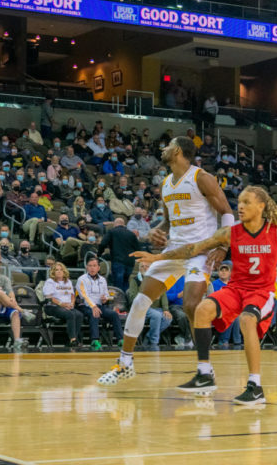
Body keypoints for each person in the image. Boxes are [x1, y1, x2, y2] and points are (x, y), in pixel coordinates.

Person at [134, 186, 277, 404]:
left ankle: (255, 386)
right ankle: (204, 373)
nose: (240, 206)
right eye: (239, 202)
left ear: (261, 206)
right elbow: (194, 248)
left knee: (247, 319)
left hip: (261, 291)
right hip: (235, 289)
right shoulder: (230, 232)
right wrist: (158, 258)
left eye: (247, 202)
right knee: (202, 310)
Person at [97, 136, 232, 386]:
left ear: (178, 150)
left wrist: (223, 246)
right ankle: (125, 363)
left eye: (168, 145)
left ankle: (205, 371)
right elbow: (168, 222)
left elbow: (227, 212)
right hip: (174, 252)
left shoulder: (202, 178)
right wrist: (156, 231)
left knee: (192, 306)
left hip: (200, 251)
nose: (164, 149)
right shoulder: (167, 183)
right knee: (139, 301)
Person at [0, 256, 30, 351]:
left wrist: (12, 298)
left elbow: (11, 293)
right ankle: (23, 311)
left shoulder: (5, 278)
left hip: (5, 303)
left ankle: (17, 341)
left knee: (15, 312)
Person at [76, 257, 123, 351]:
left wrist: (105, 299)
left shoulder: (102, 279)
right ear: (86, 267)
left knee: (113, 314)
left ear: (98, 268)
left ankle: (120, 339)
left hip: (100, 305)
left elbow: (105, 294)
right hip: (85, 305)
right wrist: (93, 306)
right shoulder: (81, 279)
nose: (92, 268)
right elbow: (84, 296)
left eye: (94, 266)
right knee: (95, 314)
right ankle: (95, 340)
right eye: (90, 266)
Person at [127, 262, 171, 349]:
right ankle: (154, 342)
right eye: (142, 266)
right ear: (139, 269)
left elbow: (163, 295)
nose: (144, 268)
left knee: (168, 318)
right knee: (157, 315)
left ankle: (148, 336)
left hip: (156, 308)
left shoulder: (158, 279)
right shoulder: (135, 280)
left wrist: (166, 309)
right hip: (142, 307)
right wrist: (148, 297)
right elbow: (132, 297)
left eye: (147, 266)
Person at [42, 261, 84, 348]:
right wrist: (63, 304)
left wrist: (72, 304)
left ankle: (72, 339)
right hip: (52, 306)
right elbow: (50, 298)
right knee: (70, 314)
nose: (59, 271)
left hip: (67, 306)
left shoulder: (68, 281)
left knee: (79, 315)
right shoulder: (50, 282)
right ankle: (73, 339)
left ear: (64, 271)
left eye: (61, 269)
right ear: (53, 272)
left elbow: (72, 295)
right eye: (57, 270)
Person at [99, 217, 139, 292]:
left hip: (118, 261)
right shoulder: (131, 234)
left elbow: (103, 243)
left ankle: (119, 302)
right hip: (130, 262)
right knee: (126, 283)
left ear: (114, 224)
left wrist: (99, 254)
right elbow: (138, 248)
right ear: (124, 225)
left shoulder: (112, 232)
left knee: (118, 285)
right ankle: (126, 301)